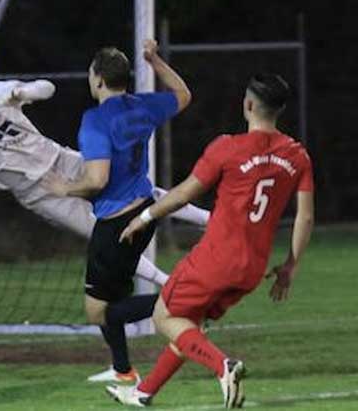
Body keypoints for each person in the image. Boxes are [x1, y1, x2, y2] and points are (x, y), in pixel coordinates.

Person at [0, 10, 209, 288]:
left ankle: (207, 219)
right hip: (39, 191)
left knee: (136, 191)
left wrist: (24, 91)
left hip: (60, 160)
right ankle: (170, 284)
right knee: (104, 236)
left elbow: (48, 88)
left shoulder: (0, 92)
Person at [106, 73, 315, 408]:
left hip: (216, 259)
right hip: (252, 268)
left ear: (247, 105)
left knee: (164, 317)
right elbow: (304, 217)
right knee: (189, 326)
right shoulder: (297, 155)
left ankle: (224, 366)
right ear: (280, 110)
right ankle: (144, 393)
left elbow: (183, 194)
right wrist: (290, 266)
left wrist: (144, 217)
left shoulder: (226, 148)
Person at [40, 41, 192, 384]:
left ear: (97, 80)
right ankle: (123, 370)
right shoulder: (143, 106)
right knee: (115, 298)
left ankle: (182, 302)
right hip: (144, 213)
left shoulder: (94, 120)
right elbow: (183, 94)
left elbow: (97, 179)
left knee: (100, 311)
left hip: (116, 225)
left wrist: (63, 189)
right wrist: (154, 60)